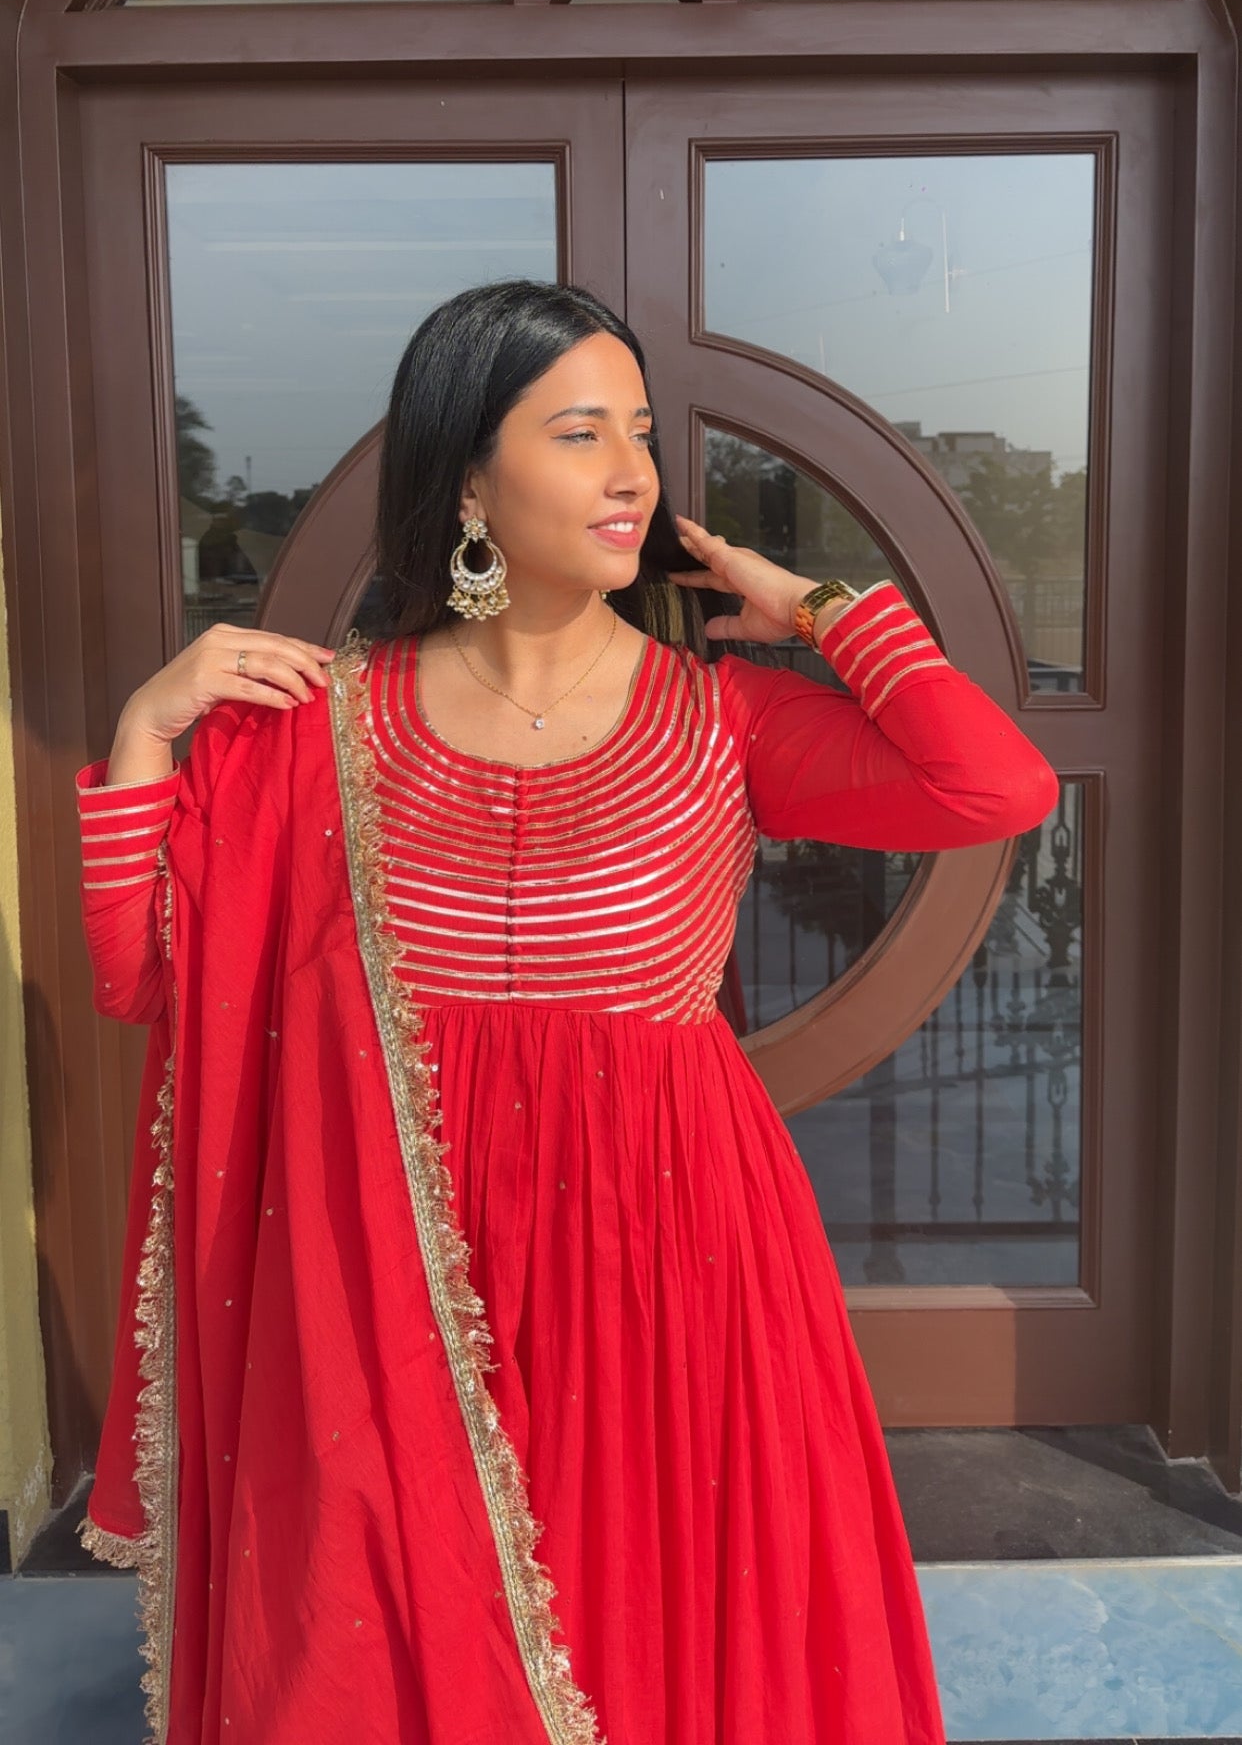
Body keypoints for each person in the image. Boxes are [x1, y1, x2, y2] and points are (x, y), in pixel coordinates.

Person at [75, 280, 1058, 1745]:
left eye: (641, 435)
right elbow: (145, 976)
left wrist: (822, 615)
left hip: (666, 1247)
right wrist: (145, 735)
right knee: (388, 1621)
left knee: (650, 1606)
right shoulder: (321, 727)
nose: (632, 475)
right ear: (470, 480)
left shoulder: (721, 719)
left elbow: (992, 786)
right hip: (393, 1252)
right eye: (580, 432)